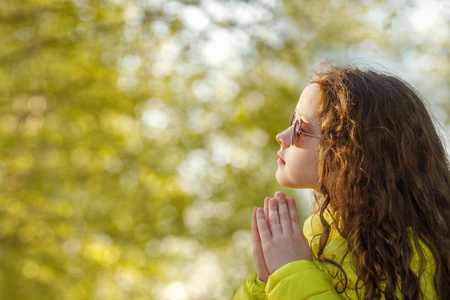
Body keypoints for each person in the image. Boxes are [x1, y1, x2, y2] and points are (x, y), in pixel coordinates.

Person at [232, 65, 450, 299]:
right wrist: (265, 283)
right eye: (291, 119)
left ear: (349, 151)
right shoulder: (315, 234)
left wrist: (291, 273)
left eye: (300, 128)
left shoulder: (415, 257)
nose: (282, 137)